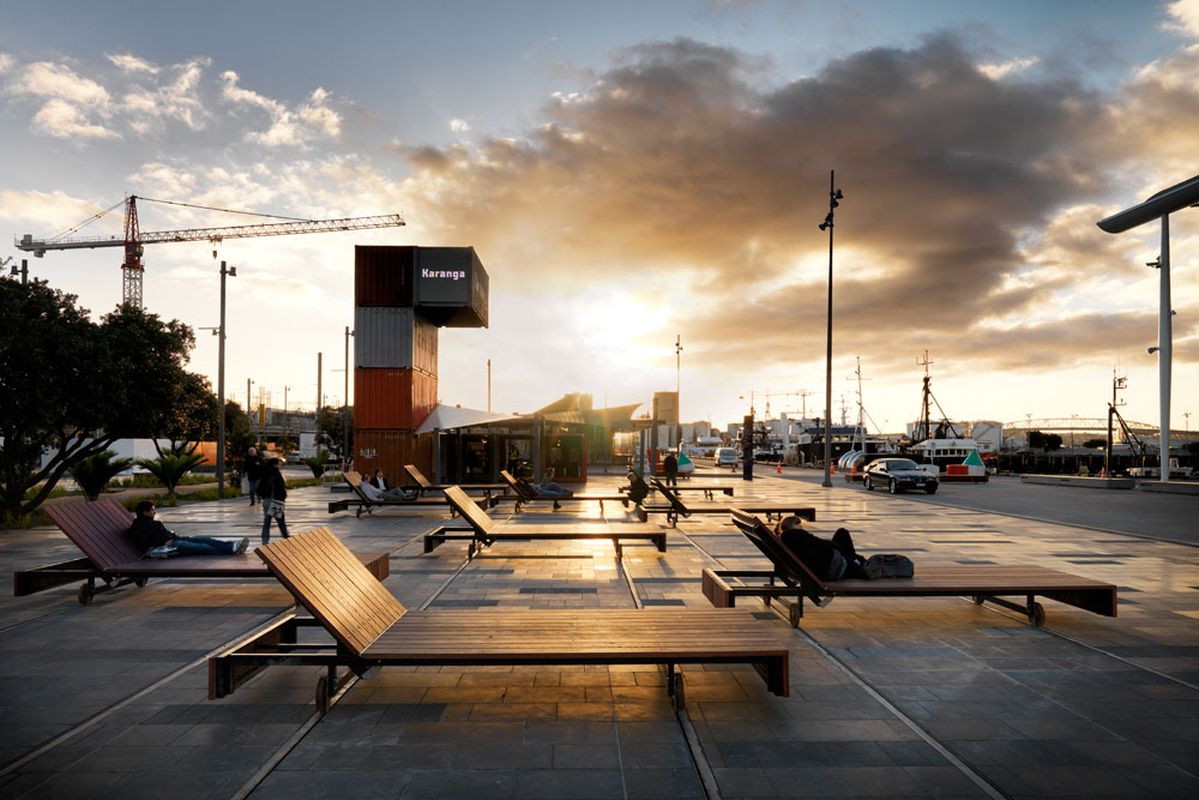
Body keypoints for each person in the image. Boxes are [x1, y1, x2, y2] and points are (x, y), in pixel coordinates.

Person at [129, 500, 248, 557]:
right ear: (145, 512)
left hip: (176, 539)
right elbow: (145, 543)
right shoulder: (138, 527)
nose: (155, 512)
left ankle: (232, 545)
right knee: (203, 548)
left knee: (205, 539)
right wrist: (163, 543)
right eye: (152, 510)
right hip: (171, 545)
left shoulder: (153, 523)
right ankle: (231, 551)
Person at [775, 516, 867, 580]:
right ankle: (856, 561)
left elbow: (815, 543)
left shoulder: (787, 537)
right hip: (830, 566)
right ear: (790, 525)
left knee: (841, 534)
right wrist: (837, 546)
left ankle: (855, 560)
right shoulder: (793, 534)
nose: (800, 526)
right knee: (842, 533)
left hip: (827, 564)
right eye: (797, 524)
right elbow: (818, 542)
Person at [257, 453, 290, 544]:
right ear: (275, 464)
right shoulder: (276, 473)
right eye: (279, 464)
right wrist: (283, 498)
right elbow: (281, 488)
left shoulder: (264, 473)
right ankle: (286, 537)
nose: (280, 465)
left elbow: (259, 487)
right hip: (276, 500)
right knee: (280, 520)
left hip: (267, 500)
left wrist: (261, 496)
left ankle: (265, 540)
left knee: (267, 521)